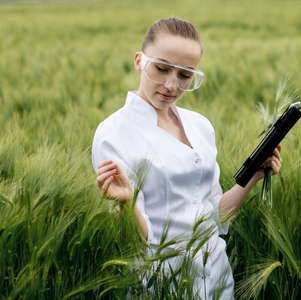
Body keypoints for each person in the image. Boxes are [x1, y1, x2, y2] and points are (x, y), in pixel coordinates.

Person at [92, 17, 282, 299]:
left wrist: (254, 174)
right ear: (139, 61)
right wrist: (126, 203)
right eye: (161, 69)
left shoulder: (200, 126)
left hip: (216, 281)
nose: (171, 84)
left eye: (185, 75)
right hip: (161, 286)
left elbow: (214, 215)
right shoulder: (113, 133)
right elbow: (138, 242)